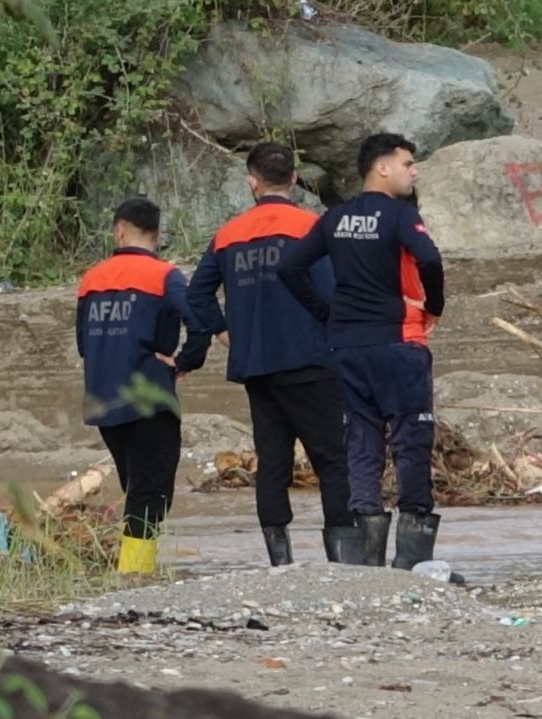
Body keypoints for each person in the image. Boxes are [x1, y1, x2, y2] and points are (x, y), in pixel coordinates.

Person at [276, 133, 449, 573]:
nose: (414, 171)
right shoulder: (400, 215)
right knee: (411, 440)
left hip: (348, 346)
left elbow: (290, 267)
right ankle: (411, 559)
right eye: (408, 163)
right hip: (398, 341)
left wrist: (325, 312)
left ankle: (367, 561)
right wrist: (435, 305)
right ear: (382, 167)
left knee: (363, 442)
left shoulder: (334, 218)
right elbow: (429, 258)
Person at [187, 142, 358, 566]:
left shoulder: (229, 234)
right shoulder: (314, 227)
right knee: (334, 460)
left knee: (273, 463)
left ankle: (279, 563)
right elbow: (340, 290)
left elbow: (197, 294)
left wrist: (224, 332)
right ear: (295, 180)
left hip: (258, 368)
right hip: (313, 361)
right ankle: (343, 561)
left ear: (252, 182)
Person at [76, 197, 210, 575]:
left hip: (103, 400)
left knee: (136, 487)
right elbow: (199, 323)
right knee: (150, 494)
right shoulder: (165, 275)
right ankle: (134, 575)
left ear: (119, 229)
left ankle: (133, 567)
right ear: (157, 233)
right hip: (149, 397)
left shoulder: (91, 279)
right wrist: (185, 361)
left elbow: (84, 344)